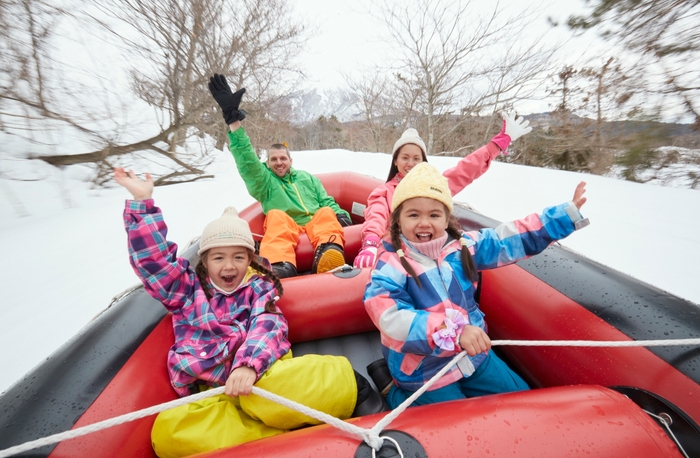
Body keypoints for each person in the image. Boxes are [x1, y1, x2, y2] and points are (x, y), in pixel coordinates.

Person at [114, 168, 381, 457]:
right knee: (169, 430)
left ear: (249, 259)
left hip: (264, 371)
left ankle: (346, 383)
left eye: (238, 257)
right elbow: (155, 264)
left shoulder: (258, 288)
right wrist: (143, 204)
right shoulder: (186, 290)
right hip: (217, 393)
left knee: (267, 393)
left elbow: (267, 326)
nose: (229, 266)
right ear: (204, 261)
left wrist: (248, 365)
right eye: (219, 257)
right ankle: (285, 428)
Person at [363, 162, 589, 409]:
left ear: (446, 218)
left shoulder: (463, 247)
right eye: (413, 214)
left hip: (472, 354)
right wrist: (451, 331)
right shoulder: (389, 264)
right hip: (424, 369)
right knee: (457, 425)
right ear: (397, 220)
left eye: (434, 214)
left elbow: (508, 239)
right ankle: (392, 390)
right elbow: (390, 316)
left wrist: (562, 218)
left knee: (525, 403)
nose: (424, 223)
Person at [208, 74, 352, 278]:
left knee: (326, 213)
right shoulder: (266, 181)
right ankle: (279, 265)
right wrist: (233, 121)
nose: (278, 162)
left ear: (290, 160)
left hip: (315, 224)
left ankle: (328, 254)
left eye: (282, 158)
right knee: (275, 217)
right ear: (268, 163)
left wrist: (339, 213)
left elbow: (325, 200)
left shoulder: (306, 178)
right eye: (273, 159)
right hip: (287, 225)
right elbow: (247, 160)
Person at [354, 113, 532, 268]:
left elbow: (465, 170)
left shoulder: (433, 188)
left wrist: (499, 143)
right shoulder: (384, 192)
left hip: (430, 253)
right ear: (395, 161)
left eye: (416, 158)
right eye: (405, 157)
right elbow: (376, 216)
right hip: (398, 255)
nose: (410, 163)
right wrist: (370, 243)